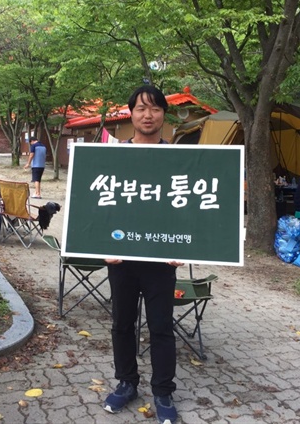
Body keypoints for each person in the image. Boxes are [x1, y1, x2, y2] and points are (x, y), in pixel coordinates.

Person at [103, 85, 183, 424]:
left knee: (162, 327)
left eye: (154, 109)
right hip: (122, 258)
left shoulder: (180, 158)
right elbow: (99, 207)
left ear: (164, 114)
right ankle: (127, 383)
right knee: (122, 324)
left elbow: (189, 209)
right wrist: (101, 246)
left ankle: (163, 391)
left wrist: (185, 246)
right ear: (130, 114)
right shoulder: (114, 156)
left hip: (161, 261)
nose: (147, 115)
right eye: (140, 108)